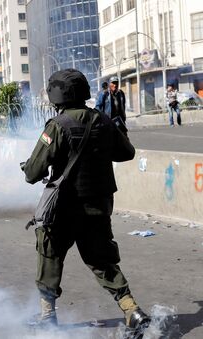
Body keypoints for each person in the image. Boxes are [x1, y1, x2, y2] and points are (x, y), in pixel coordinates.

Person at [21, 69, 150, 336]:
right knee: (102, 260)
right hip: (98, 205)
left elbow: (33, 172)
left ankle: (47, 317)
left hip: (64, 209)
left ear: (57, 95)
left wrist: (35, 167)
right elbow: (126, 152)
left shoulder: (58, 125)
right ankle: (132, 311)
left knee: (49, 254)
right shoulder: (101, 119)